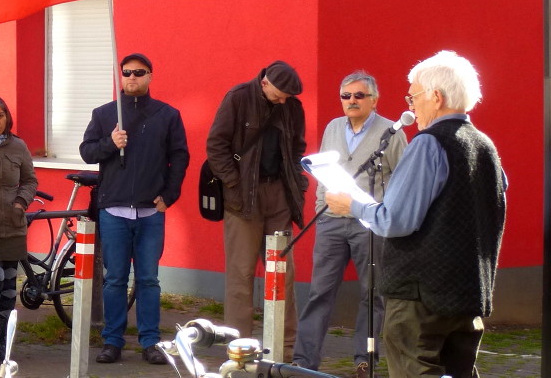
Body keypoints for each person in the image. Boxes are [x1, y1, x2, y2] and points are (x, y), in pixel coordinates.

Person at [326, 51, 507, 378]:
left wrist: (351, 205)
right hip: (468, 294)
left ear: (436, 97)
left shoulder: (428, 144)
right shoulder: (486, 146)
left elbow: (394, 220)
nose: (411, 105)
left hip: (420, 298)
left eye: (414, 96)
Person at [292, 71, 407, 378]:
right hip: (330, 223)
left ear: (374, 100)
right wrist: (320, 209)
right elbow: (321, 173)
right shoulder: (333, 128)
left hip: (368, 225)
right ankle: (304, 363)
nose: (352, 101)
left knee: (372, 294)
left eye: (359, 95)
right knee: (319, 292)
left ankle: (364, 359)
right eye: (346, 96)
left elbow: (402, 178)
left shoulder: (391, 133)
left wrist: (384, 214)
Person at [79, 53, 190, 365]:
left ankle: (150, 341)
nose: (132, 78)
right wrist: (110, 144)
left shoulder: (167, 115)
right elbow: (87, 152)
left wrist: (170, 194)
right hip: (114, 210)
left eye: (139, 73)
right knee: (114, 278)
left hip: (151, 212)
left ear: (150, 76)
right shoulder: (104, 115)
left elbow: (180, 156)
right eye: (127, 73)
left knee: (148, 279)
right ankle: (112, 341)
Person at [205, 60, 308, 352]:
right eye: (279, 95)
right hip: (242, 199)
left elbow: (298, 146)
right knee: (241, 274)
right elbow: (216, 145)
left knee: (283, 273)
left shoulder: (292, 107)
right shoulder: (237, 98)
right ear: (264, 82)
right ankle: (239, 349)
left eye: (288, 95)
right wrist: (234, 183)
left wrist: (297, 183)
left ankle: (284, 348)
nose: (284, 100)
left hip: (280, 196)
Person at [0, 96, 38, 360]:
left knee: (9, 287)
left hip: (13, 226)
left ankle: (3, 339)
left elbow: (29, 180)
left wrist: (20, 203)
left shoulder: (18, 146)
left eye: (1, 115)